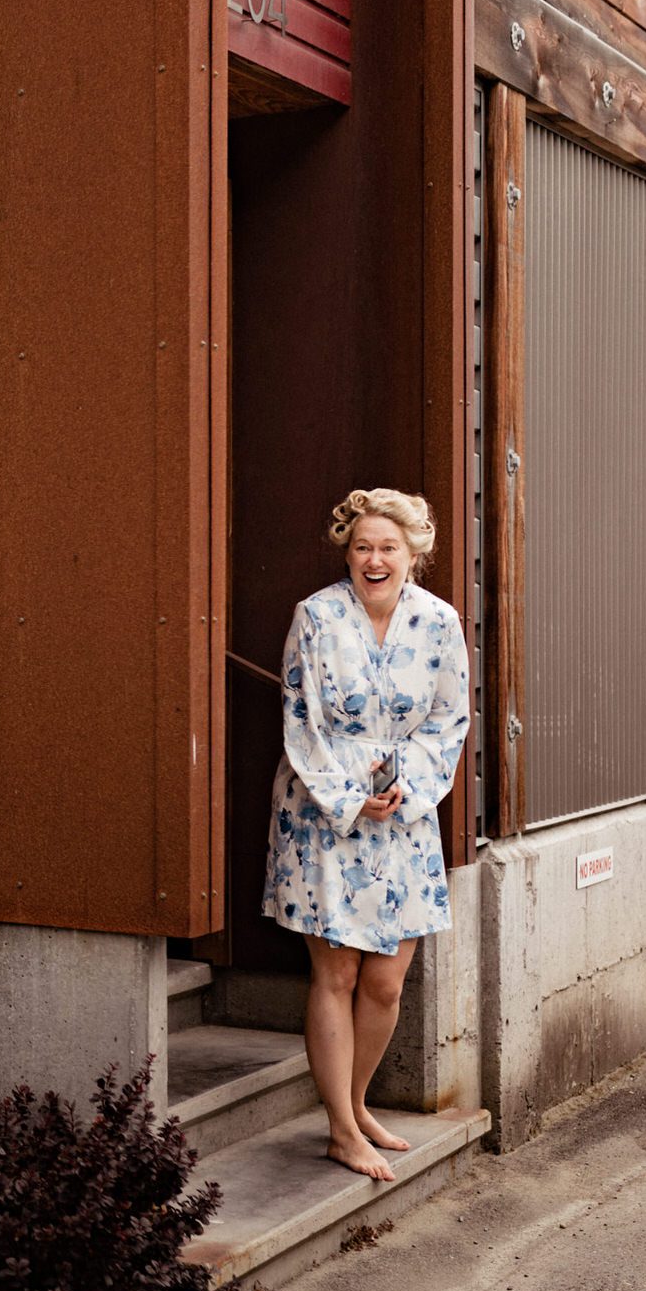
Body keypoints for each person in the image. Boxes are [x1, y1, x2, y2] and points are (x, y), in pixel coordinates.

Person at [262, 488, 471, 1181]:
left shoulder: (439, 624)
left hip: (406, 814)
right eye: (361, 547)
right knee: (338, 970)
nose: (373, 559)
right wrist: (353, 798)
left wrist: (406, 784)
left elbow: (450, 720)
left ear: (415, 554)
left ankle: (354, 1104)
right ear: (347, 553)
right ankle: (342, 1130)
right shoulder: (316, 618)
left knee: (386, 980)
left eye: (388, 548)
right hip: (324, 813)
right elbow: (301, 722)